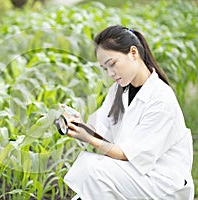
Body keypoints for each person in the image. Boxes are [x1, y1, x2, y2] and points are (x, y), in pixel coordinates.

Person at [62, 25, 194, 200]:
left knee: (93, 169)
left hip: (164, 184)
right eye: (105, 69)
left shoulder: (161, 98)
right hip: (135, 176)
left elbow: (129, 155)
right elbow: (100, 128)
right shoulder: (119, 90)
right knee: (86, 188)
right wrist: (77, 124)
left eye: (112, 64)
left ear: (133, 53)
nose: (110, 73)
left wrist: (88, 137)